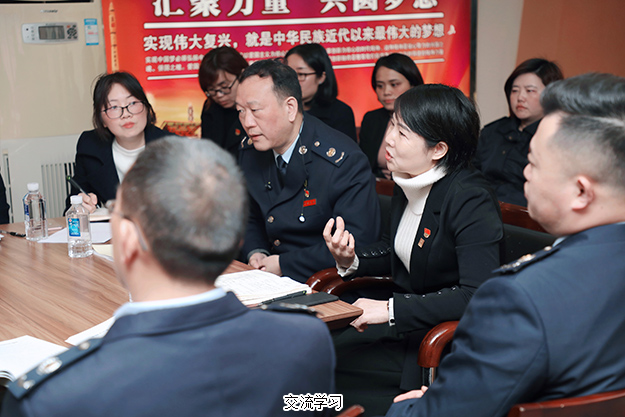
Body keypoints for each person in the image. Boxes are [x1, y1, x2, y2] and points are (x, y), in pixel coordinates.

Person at [1, 136, 335, 417]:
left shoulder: (51, 399)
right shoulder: (306, 340)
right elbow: (313, 405)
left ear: (127, 241)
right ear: (235, 240)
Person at [386, 73, 625, 417]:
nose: (524, 173)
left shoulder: (521, 298)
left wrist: (415, 406)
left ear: (581, 192)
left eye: (533, 163)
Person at [324, 84, 503, 416]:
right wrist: (352, 259)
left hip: (438, 342)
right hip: (402, 328)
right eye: (392, 125)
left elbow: (476, 294)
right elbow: (399, 251)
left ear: (438, 149)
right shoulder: (408, 179)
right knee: (313, 358)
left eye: (402, 132)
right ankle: (298, 405)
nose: (389, 139)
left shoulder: (470, 198)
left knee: (333, 384)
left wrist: (389, 309)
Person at [236, 59, 381, 283]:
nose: (247, 122)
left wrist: (283, 264)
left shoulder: (342, 161)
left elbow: (356, 242)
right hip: (267, 278)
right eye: (240, 111)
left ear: (290, 108)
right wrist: (256, 252)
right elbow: (249, 214)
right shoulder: (251, 151)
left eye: (255, 110)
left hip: (322, 282)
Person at [68, 71, 168, 213]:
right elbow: (71, 205)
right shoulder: (90, 146)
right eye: (114, 107)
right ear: (101, 119)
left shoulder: (171, 146)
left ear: (146, 107)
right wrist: (81, 204)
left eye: (132, 103)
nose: (126, 114)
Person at [473, 58, 563, 206]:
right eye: (515, 90)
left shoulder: (557, 139)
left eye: (530, 91)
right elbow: (470, 174)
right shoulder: (493, 131)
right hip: (479, 208)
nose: (520, 97)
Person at [359, 53, 424, 179]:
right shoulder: (371, 119)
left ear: (413, 84)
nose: (386, 92)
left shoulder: (428, 118)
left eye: (394, 84)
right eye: (380, 86)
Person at [285, 43, 358, 141]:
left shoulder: (340, 113)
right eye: (288, 74)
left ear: (321, 77)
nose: (293, 81)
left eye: (301, 74)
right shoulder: (280, 109)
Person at [198, 46, 248, 157]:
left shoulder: (257, 108)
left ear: (242, 75)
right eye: (212, 90)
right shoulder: (210, 108)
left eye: (224, 87)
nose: (219, 95)